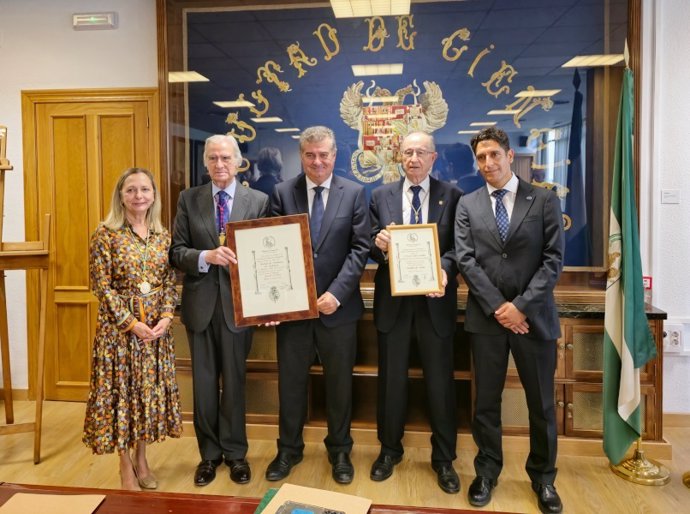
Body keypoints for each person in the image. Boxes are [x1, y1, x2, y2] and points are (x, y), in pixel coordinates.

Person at [455, 127, 564, 513]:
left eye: (494, 155)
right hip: (487, 321)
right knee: (485, 402)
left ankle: (544, 478)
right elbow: (466, 260)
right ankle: (486, 472)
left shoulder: (544, 200)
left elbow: (553, 260)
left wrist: (521, 307)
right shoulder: (467, 204)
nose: (488, 164)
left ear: (508, 155)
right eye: (481, 157)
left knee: (541, 405)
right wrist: (500, 309)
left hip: (534, 320)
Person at [266, 125, 370, 485]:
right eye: (310, 155)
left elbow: (360, 248)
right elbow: (272, 247)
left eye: (324, 154)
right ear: (301, 156)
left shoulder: (355, 193)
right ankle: (288, 449)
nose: (317, 161)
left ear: (334, 155)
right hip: (294, 312)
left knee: (339, 384)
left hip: (338, 310)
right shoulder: (282, 192)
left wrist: (337, 293)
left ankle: (340, 450)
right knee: (290, 383)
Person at [170, 134, 269, 487]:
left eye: (226, 158)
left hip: (239, 308)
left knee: (236, 384)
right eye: (212, 158)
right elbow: (176, 251)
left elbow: (266, 256)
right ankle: (208, 457)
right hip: (200, 307)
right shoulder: (189, 199)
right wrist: (204, 257)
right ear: (205, 163)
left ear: (239, 162)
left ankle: (236, 455)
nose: (219, 165)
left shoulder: (258, 200)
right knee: (206, 387)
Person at [368, 131, 462, 494]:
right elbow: (369, 248)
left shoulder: (452, 197)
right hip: (394, 304)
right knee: (391, 382)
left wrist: (445, 268)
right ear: (399, 157)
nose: (414, 158)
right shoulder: (380, 196)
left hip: (435, 302)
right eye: (408, 152)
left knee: (440, 383)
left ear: (433, 157)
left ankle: (444, 459)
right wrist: (379, 245)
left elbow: (459, 247)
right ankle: (389, 451)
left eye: (421, 152)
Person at [83, 167, 182, 491]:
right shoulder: (106, 234)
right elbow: (101, 286)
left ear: (154, 195)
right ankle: (125, 465)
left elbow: (169, 281)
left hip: (155, 332)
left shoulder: (162, 235)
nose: (139, 196)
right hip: (120, 336)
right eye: (131, 190)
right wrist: (131, 323)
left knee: (146, 396)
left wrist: (166, 316)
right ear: (121, 196)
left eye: (144, 190)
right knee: (122, 397)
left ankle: (142, 459)